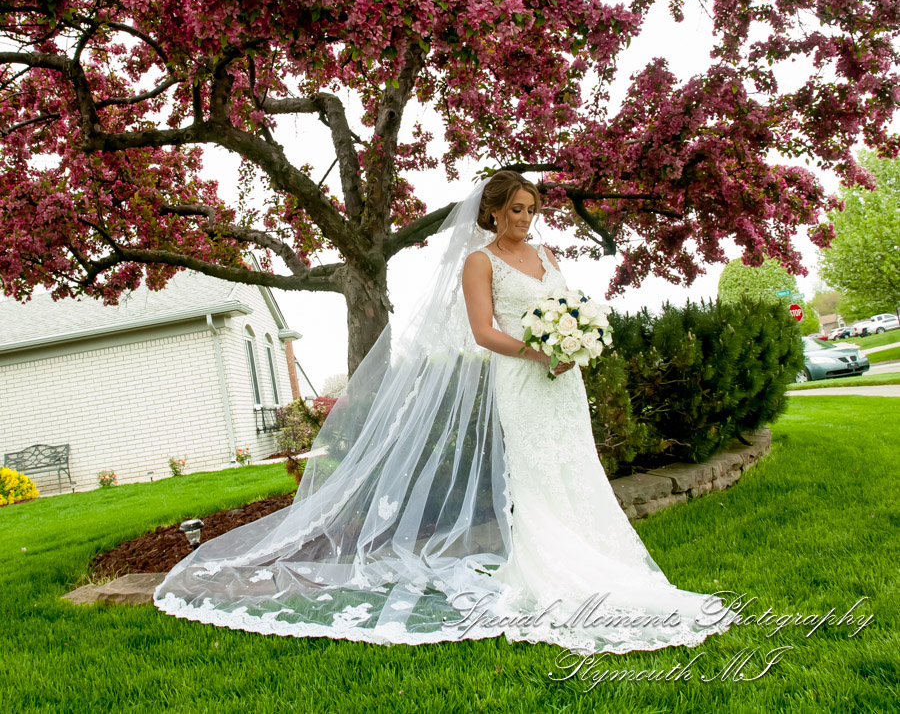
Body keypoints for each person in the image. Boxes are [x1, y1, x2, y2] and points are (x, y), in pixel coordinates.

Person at [153, 171, 738, 654]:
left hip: (564, 379)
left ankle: (603, 557)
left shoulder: (547, 252)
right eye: (515, 209)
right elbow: (485, 333)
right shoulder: (479, 263)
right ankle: (550, 572)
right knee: (535, 472)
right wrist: (540, 350)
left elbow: (569, 306)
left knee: (576, 466)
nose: (525, 219)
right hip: (522, 376)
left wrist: (575, 340)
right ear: (492, 212)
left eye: (531, 209)